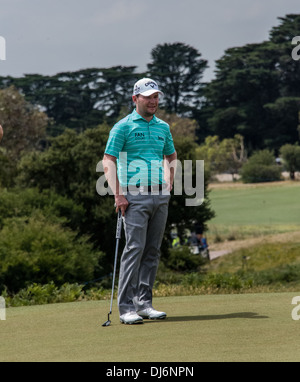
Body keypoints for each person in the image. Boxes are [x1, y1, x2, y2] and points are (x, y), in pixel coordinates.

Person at [102, 78, 177, 324]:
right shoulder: (122, 127)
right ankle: (126, 308)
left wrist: (169, 183)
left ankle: (144, 304)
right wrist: (118, 194)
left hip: (159, 195)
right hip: (133, 196)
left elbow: (171, 156)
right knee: (134, 249)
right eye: (148, 97)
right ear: (135, 99)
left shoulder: (163, 127)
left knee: (153, 251)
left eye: (156, 96)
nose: (153, 101)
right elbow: (108, 161)